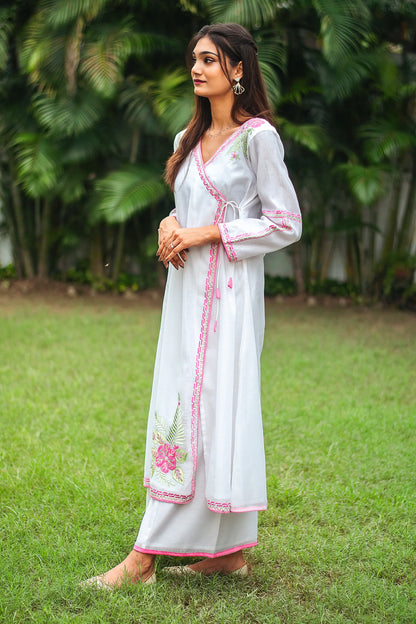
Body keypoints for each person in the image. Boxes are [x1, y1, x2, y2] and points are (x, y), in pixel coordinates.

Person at [82, 22, 301, 589]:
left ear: (238, 69)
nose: (198, 68)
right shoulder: (185, 139)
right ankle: (227, 552)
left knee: (214, 408)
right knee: (181, 405)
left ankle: (143, 560)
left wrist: (205, 235)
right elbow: (185, 204)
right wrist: (169, 222)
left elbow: (285, 222)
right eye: (195, 59)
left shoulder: (258, 139)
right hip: (184, 297)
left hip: (227, 300)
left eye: (210, 59)